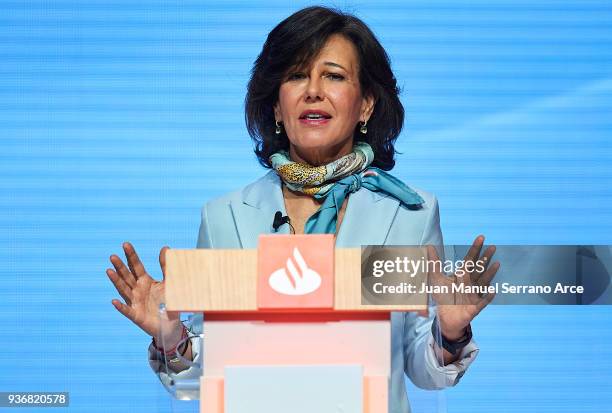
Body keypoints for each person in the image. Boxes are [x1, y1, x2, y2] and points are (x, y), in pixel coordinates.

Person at [106, 6, 498, 413]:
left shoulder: (409, 213)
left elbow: (423, 369)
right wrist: (171, 337)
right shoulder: (225, 216)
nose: (313, 90)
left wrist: (450, 333)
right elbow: (204, 375)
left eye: (334, 75)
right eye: (296, 76)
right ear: (277, 107)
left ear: (365, 104)